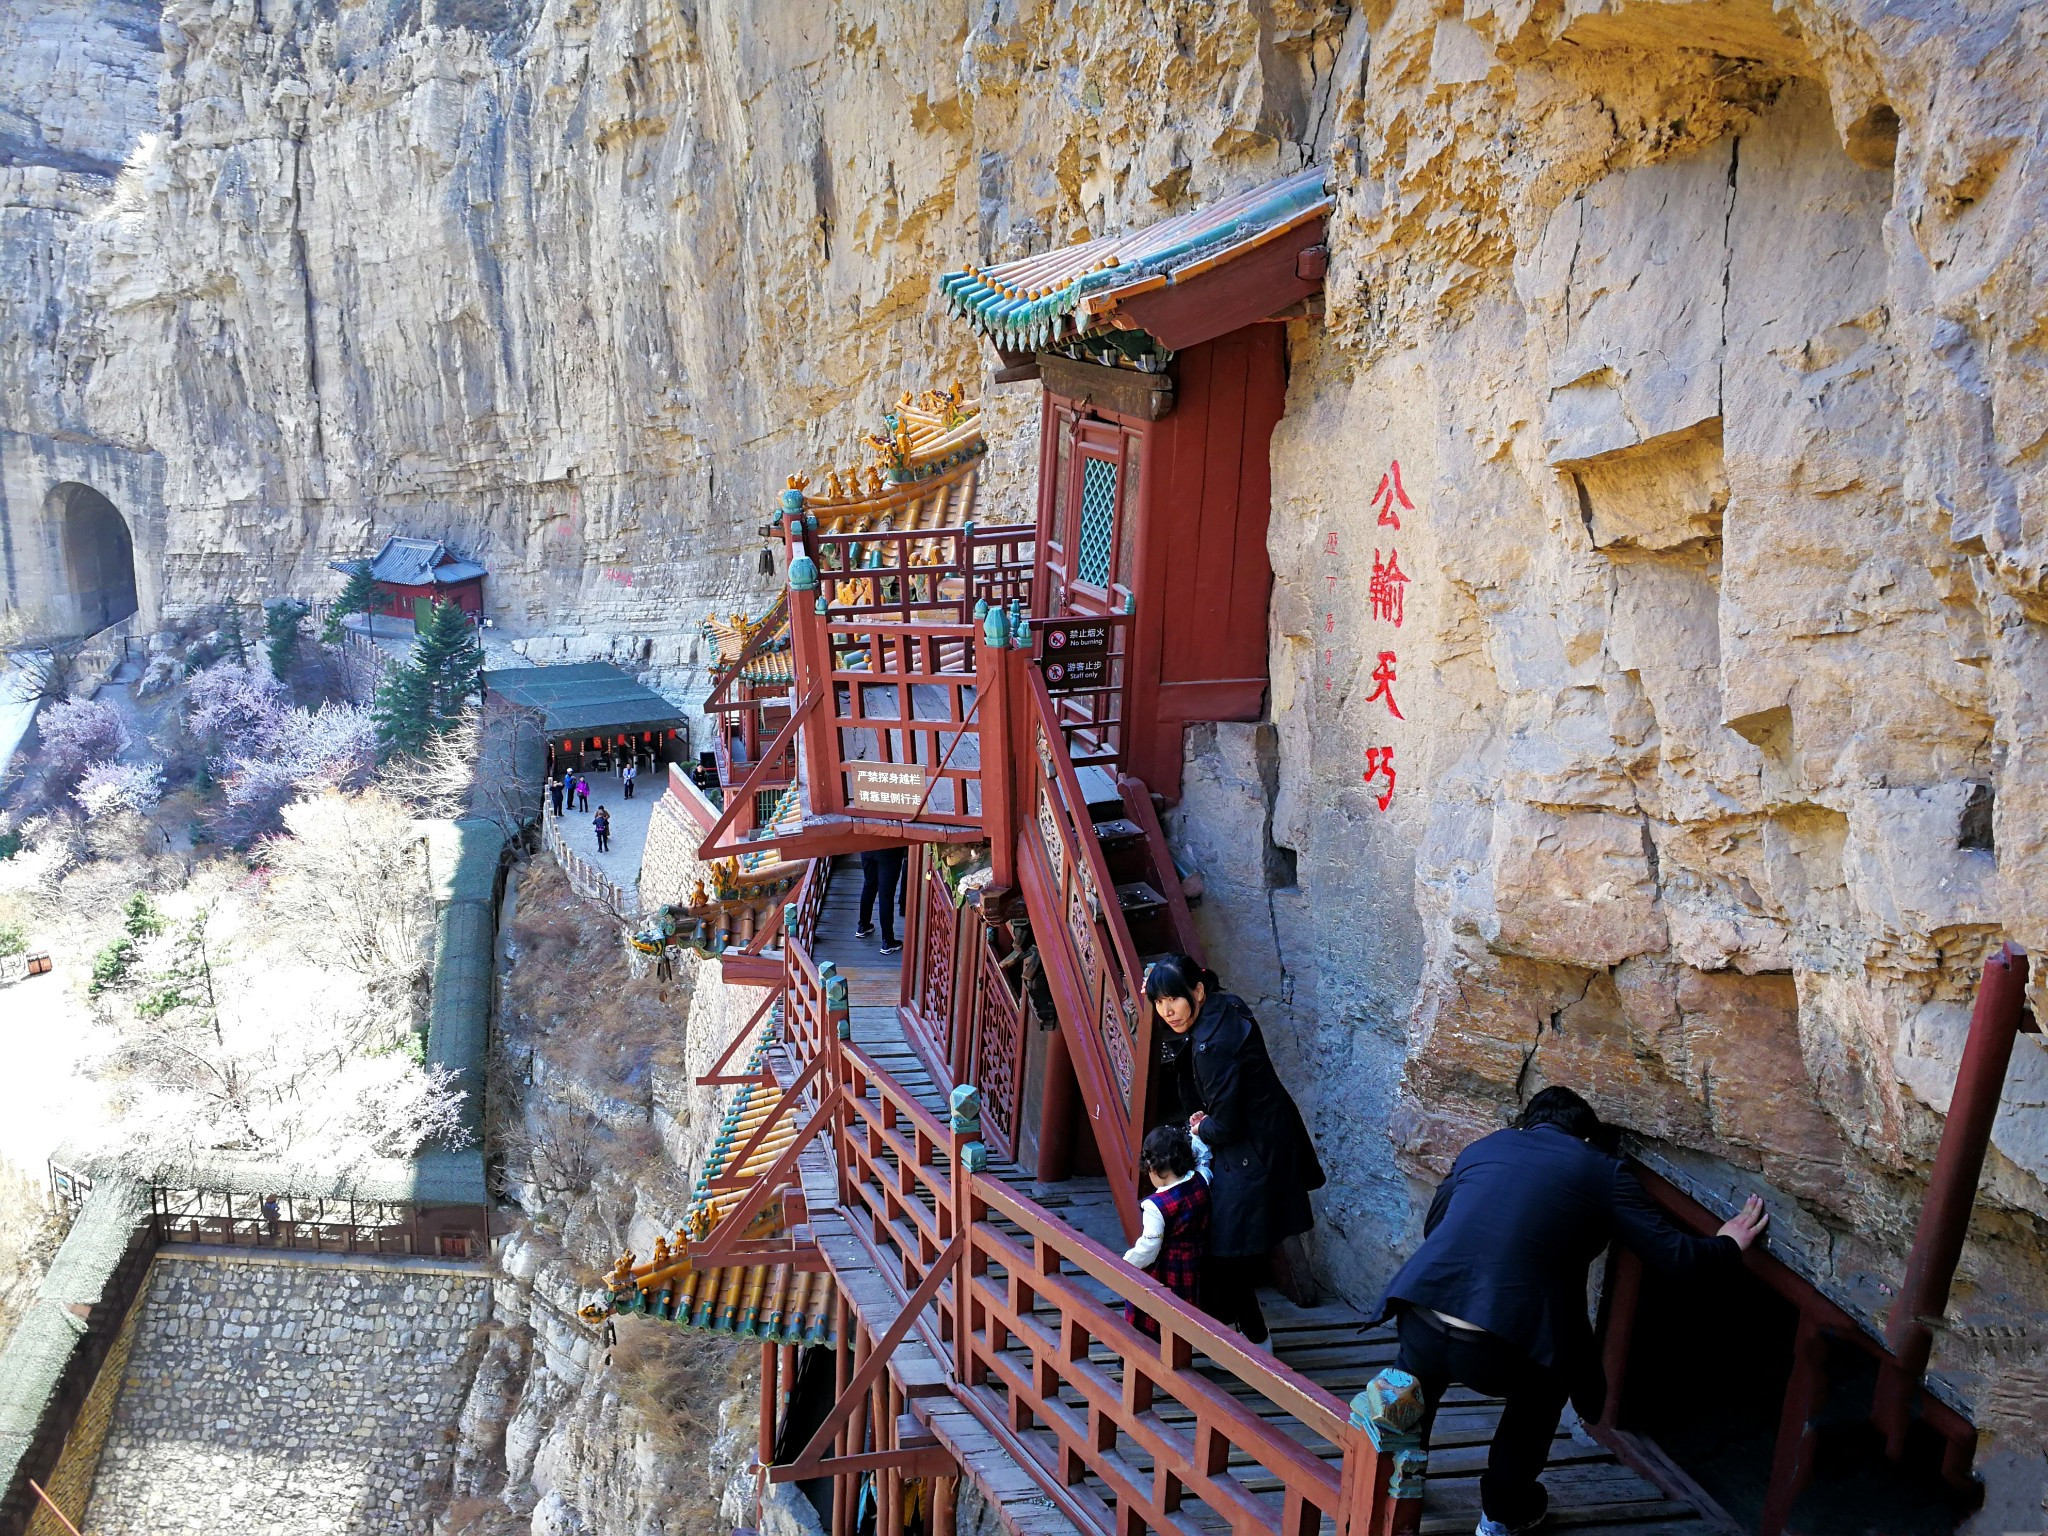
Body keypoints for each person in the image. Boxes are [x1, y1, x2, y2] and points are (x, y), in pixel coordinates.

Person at [1377, 1086, 1770, 1536]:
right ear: (1587, 1137)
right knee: (1543, 1388)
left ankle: (1396, 1488)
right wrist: (1726, 1245)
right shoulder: (1602, 1171)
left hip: (1423, 1314)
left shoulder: (1485, 1147)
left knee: (1413, 1389)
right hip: (1499, 1346)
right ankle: (1502, 1516)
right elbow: (1674, 1257)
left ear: (1526, 1123)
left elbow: (1436, 1225)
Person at [1144, 953, 1324, 1345]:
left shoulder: (1214, 1047)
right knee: (1228, 1248)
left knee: (1225, 1250)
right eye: (1159, 1002)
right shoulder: (1228, 1006)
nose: (1167, 1011)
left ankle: (1255, 1342)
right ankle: (1240, 1334)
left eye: (1174, 999)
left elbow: (1226, 1125)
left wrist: (1200, 1126)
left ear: (1198, 991)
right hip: (1267, 1136)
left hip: (1251, 1149)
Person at [1122, 1123, 1211, 1339]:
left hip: (1167, 1268)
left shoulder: (1156, 1206)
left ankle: (1145, 1355)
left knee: (1153, 1313)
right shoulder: (1202, 1180)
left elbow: (1149, 1247)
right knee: (1184, 1313)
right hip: (1196, 1260)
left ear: (1154, 1167)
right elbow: (1204, 1158)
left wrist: (1126, 1262)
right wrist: (1197, 1133)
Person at [855, 845, 906, 954]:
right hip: (889, 849)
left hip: (867, 845)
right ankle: (887, 941)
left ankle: (863, 925)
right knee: (886, 894)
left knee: (869, 885)